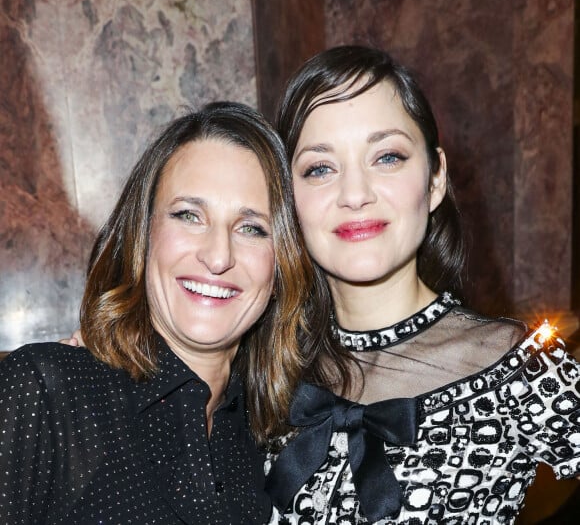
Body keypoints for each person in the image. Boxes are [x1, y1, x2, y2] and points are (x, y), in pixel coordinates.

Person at [264, 46, 580, 524]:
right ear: (290, 199)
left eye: (386, 157)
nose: (355, 195)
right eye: (320, 168)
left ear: (435, 180)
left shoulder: (521, 367)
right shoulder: (268, 373)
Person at [0, 101, 315, 524]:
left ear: (282, 266)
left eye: (252, 228)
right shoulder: (45, 392)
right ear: (142, 235)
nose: (218, 256)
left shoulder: (279, 441)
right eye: (189, 215)